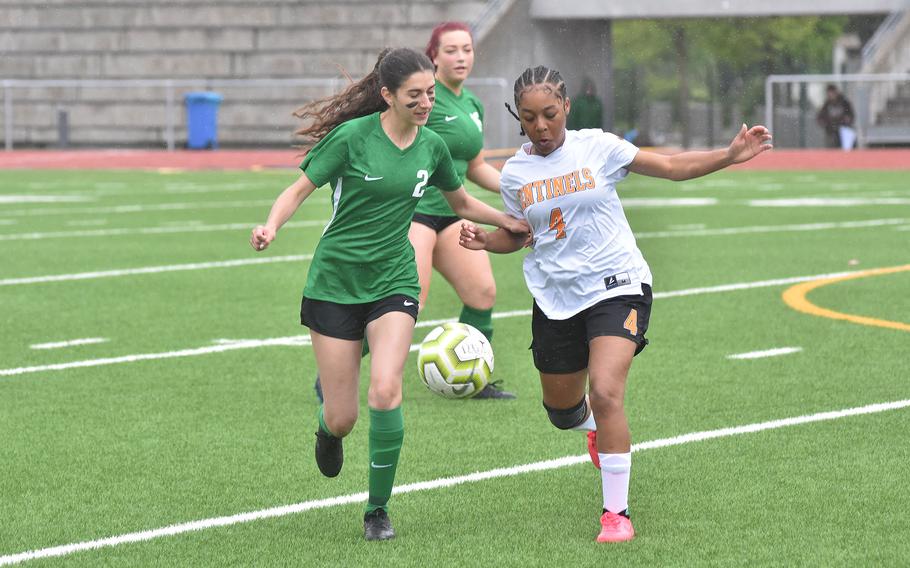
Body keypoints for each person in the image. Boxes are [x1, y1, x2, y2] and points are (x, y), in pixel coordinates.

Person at [460, 65, 772, 543]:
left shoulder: (598, 147)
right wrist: (486, 241)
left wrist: (729, 155)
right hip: (555, 297)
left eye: (549, 114)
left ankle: (616, 514)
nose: (541, 127)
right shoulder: (516, 174)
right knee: (562, 410)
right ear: (517, 118)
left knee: (606, 392)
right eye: (529, 118)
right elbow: (521, 236)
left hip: (616, 285)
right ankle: (591, 429)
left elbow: (669, 167)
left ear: (565, 106)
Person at [250, 48, 528, 542]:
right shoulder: (352, 139)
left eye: (430, 93)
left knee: (385, 389)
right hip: (335, 283)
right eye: (415, 95)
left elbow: (460, 199)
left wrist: (505, 219)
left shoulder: (433, 146)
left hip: (394, 281)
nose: (426, 103)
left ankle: (377, 509)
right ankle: (326, 427)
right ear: (387, 96)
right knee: (344, 416)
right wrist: (270, 226)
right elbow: (297, 191)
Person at [410, 21, 515, 399]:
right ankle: (335, 371)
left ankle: (474, 379)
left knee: (482, 293)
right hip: (414, 213)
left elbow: (475, 167)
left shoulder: (471, 104)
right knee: (407, 307)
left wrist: (520, 188)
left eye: (467, 49)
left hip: (454, 214)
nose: (461, 57)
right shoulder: (424, 97)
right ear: (433, 55)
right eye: (451, 50)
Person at [816, 85, 855, 149]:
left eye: (832, 93)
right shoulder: (827, 104)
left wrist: (847, 121)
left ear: (836, 92)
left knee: (846, 149)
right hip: (831, 132)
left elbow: (851, 115)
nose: (831, 95)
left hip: (843, 130)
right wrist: (824, 123)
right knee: (831, 150)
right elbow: (820, 117)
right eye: (829, 93)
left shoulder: (844, 103)